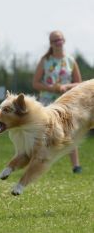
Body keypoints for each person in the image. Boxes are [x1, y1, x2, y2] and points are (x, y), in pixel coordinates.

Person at [33, 30, 83, 173]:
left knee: (70, 133)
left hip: (66, 103)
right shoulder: (45, 60)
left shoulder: (70, 60)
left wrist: (66, 87)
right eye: (55, 40)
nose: (58, 42)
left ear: (64, 40)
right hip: (48, 102)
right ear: (51, 43)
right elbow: (35, 83)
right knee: (45, 134)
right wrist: (51, 88)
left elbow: (78, 83)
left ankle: (76, 166)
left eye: (60, 39)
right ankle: (39, 164)